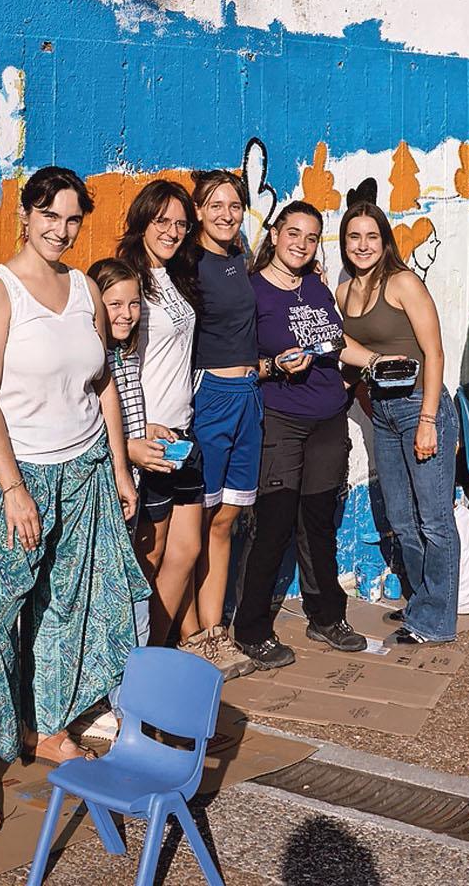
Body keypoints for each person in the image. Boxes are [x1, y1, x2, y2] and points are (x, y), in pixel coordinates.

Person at [0, 169, 144, 833]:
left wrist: (117, 466)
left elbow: (102, 381)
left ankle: (47, 726)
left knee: (68, 605)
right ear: (25, 215)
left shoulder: (85, 285)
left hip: (84, 469)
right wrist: (11, 489)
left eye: (73, 220)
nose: (61, 230)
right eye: (50, 216)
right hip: (18, 474)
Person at [230, 202, 380, 669]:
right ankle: (251, 628)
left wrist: (377, 362)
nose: (300, 243)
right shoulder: (252, 293)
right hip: (280, 419)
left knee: (318, 522)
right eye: (292, 233)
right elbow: (234, 366)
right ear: (274, 235)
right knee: (273, 524)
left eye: (311, 237)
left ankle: (326, 616)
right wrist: (274, 365)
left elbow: (337, 344)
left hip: (327, 418)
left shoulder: (315, 286)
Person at [113, 181, 227, 669]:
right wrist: (129, 443)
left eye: (181, 223)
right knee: (151, 556)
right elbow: (113, 370)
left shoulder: (176, 279)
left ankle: (153, 661)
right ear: (142, 222)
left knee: (186, 548)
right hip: (150, 439)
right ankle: (132, 666)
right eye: (162, 222)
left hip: (184, 434)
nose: (173, 232)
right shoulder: (127, 284)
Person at [337, 202, 459, 646]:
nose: (363, 245)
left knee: (433, 519)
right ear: (345, 243)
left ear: (385, 240)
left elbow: (435, 353)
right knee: (403, 520)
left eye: (371, 236)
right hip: (384, 413)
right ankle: (423, 600)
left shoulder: (404, 282)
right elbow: (343, 345)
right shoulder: (345, 291)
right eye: (354, 237)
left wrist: (428, 420)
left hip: (419, 406)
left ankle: (437, 621)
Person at [180, 169, 261, 676]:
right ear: (199, 211)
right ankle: (190, 634)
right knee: (197, 520)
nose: (226, 215)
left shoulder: (241, 257)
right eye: (215, 206)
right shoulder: (188, 263)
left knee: (228, 517)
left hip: (248, 395)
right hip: (208, 395)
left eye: (234, 205)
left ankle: (216, 632)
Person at [90, 256, 156, 655]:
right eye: (115, 304)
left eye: (134, 304)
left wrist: (146, 431)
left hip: (129, 483)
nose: (127, 314)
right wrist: (126, 451)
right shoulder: (93, 357)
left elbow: (126, 414)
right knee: (118, 591)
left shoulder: (124, 353)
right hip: (105, 486)